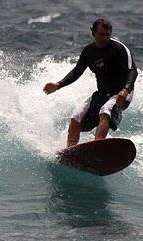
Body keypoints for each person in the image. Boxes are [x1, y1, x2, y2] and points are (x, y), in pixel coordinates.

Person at [43, 18, 138, 147]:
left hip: (121, 93)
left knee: (105, 111)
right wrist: (59, 85)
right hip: (102, 93)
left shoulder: (119, 48)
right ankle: (70, 150)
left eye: (107, 35)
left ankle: (97, 146)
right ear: (93, 34)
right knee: (76, 116)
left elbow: (132, 71)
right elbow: (77, 71)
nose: (104, 38)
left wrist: (126, 90)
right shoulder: (89, 51)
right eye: (101, 34)